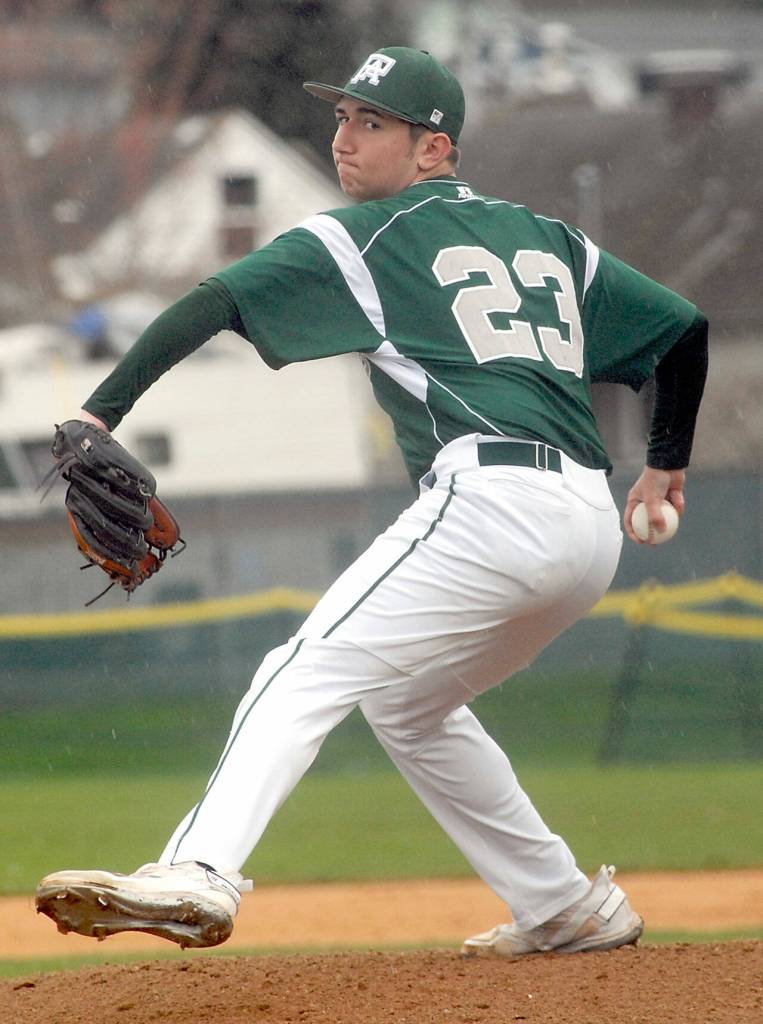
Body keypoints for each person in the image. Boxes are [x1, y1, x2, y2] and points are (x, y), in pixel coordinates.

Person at [36, 46, 708, 957]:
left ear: (434, 149)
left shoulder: (367, 236)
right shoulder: (550, 236)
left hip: (491, 500)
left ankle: (198, 871)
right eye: (343, 116)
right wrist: (664, 464)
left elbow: (215, 299)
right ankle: (561, 904)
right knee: (409, 707)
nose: (342, 137)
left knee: (300, 669)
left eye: (371, 122)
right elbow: (683, 329)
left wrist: (97, 408)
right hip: (588, 528)